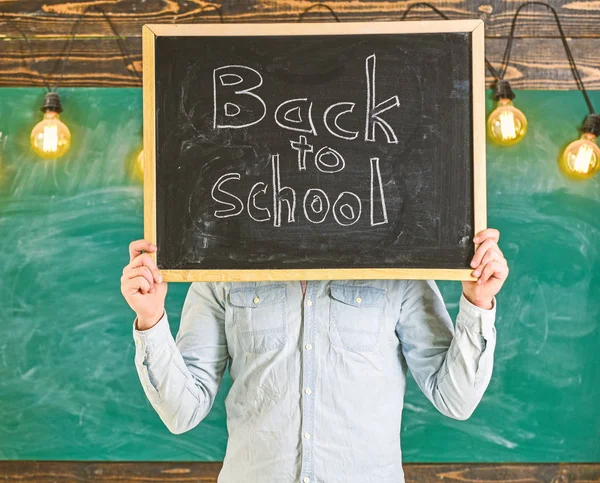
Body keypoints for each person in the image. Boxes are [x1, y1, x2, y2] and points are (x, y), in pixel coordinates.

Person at [120, 228, 508, 483]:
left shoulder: (400, 269)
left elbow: (455, 399)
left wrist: (478, 302)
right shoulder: (220, 271)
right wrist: (151, 318)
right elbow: (182, 412)